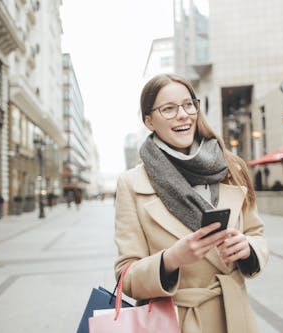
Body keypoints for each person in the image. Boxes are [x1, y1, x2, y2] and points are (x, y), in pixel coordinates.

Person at [114, 73, 269, 332]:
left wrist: (248, 248)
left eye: (188, 104)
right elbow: (125, 275)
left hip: (233, 317)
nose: (183, 114)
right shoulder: (131, 183)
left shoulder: (232, 167)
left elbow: (257, 234)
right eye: (169, 109)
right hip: (174, 322)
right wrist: (171, 259)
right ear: (149, 121)